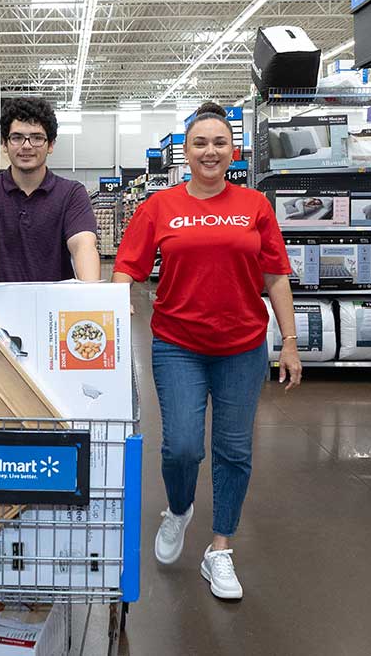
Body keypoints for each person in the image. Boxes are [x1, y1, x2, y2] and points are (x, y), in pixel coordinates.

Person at [112, 101, 302, 601]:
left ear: (232, 151)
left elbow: (276, 276)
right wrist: (113, 306)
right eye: (200, 143)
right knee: (181, 446)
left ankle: (220, 549)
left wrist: (290, 342)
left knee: (234, 450)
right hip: (178, 343)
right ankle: (178, 509)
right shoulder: (160, 207)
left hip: (243, 346)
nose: (210, 151)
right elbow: (126, 266)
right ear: (187, 152)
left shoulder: (256, 206)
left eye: (219, 142)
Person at [0, 97, 101, 283]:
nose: (26, 146)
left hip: (57, 309)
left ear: (51, 145)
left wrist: (94, 299)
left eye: (37, 138)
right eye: (17, 137)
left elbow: (83, 247)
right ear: (5, 145)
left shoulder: (72, 194)